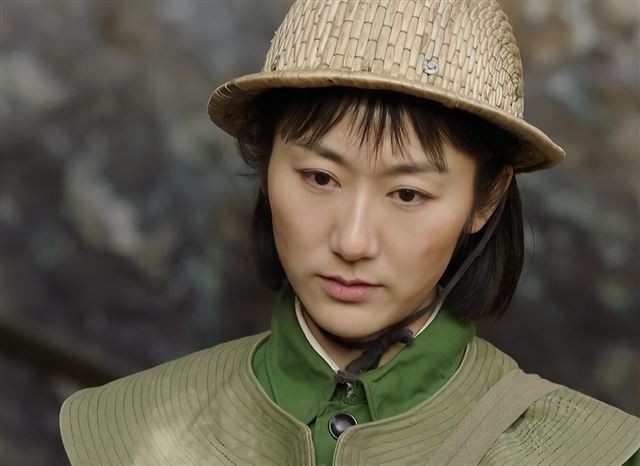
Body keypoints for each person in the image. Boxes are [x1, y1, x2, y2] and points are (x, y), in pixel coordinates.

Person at [59, 1, 640, 465]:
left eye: (407, 194)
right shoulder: (120, 435)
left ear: (486, 198)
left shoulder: (600, 454)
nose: (353, 242)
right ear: (265, 165)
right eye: (320, 178)